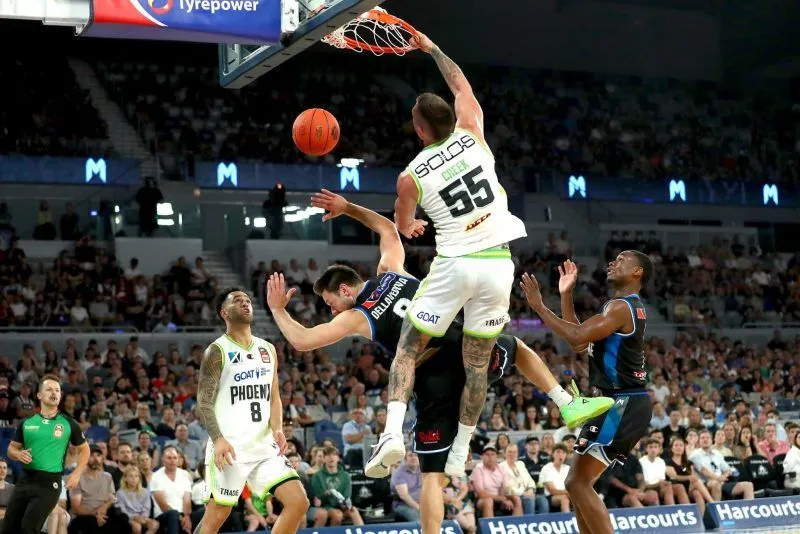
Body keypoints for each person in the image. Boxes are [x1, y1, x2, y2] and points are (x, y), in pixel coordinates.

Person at [268, 192, 611, 533]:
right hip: (464, 351)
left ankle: (399, 450)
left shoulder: (357, 316)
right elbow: (388, 229)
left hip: (430, 377)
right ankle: (564, 401)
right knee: (517, 348)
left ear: (345, 290)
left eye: (330, 303)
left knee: (433, 473)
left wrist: (278, 310)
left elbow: (301, 340)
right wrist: (348, 209)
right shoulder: (393, 272)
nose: (332, 311)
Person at [377, 30, 529, 479]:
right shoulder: (474, 132)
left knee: (408, 346)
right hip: (499, 263)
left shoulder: (411, 176)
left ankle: (389, 434)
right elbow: (460, 84)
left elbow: (403, 226)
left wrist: (412, 226)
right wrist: (430, 47)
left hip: (456, 263)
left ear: (420, 129)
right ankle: (461, 450)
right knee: (477, 363)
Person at [519, 252, 654, 534]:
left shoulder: (621, 307)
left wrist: (541, 307)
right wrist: (566, 295)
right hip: (615, 402)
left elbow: (577, 337)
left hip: (623, 403)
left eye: (621, 260)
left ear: (638, 271)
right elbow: (579, 341)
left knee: (577, 483)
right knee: (575, 484)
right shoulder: (622, 307)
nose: (612, 263)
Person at [194, 288, 308, 534]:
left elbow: (274, 395)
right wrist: (218, 439)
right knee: (215, 519)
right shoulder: (217, 351)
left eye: (247, 300)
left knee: (298, 502)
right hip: (230, 448)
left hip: (263, 446)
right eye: (237, 301)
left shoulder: (267, 348)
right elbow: (203, 402)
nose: (245, 303)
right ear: (224, 313)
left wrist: (277, 428)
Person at [1, 374, 90, 534]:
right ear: (39, 395)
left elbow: (85, 450)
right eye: (49, 389)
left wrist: (77, 473)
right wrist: (18, 454)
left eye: (57, 390)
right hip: (25, 480)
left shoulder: (68, 423)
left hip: (49, 484)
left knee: (29, 528)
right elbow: (11, 449)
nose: (54, 393)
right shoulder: (27, 423)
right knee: (7, 528)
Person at [116, 465, 159, 534]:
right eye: (131, 476)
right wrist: (134, 517)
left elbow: (146, 508)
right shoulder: (120, 493)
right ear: (125, 478)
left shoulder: (145, 492)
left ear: (139, 478)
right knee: (137, 527)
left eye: (136, 476)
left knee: (155, 524)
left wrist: (143, 517)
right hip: (128, 518)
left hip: (142, 517)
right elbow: (122, 511)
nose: (134, 479)